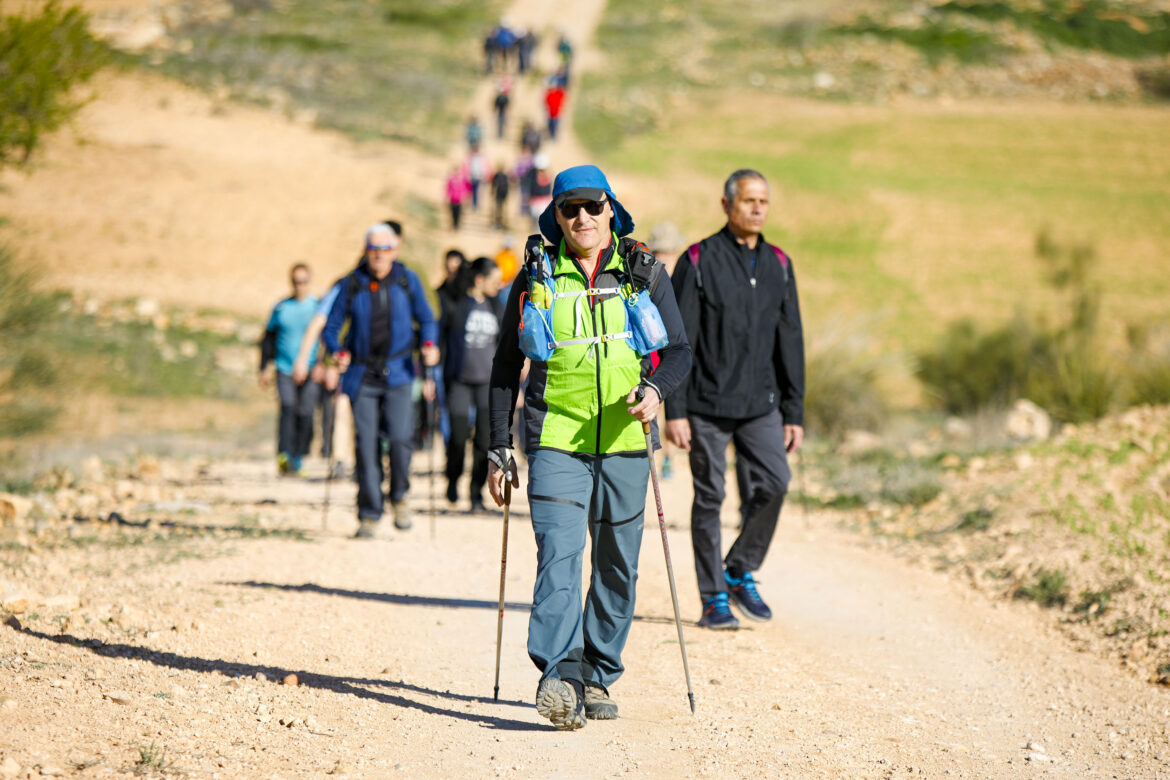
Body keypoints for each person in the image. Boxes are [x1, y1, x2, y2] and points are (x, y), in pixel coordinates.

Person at [487, 164, 691, 730]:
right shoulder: (535, 276)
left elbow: (679, 352)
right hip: (555, 438)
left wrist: (654, 391)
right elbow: (506, 365)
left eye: (591, 206)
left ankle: (600, 671)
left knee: (617, 565)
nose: (581, 217)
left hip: (627, 440)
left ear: (611, 209)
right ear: (555, 216)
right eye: (568, 208)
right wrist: (497, 445)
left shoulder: (643, 272)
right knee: (558, 556)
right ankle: (560, 676)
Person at [665, 169, 805, 630]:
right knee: (711, 497)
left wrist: (793, 409)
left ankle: (739, 567)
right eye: (748, 201)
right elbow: (679, 340)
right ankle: (713, 599)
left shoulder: (779, 264)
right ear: (727, 205)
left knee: (776, 482)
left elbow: (790, 339)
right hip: (705, 406)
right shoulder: (699, 259)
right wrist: (676, 409)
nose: (758, 208)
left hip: (761, 406)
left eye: (763, 201)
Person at [322, 223, 440, 539]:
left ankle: (399, 495)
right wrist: (336, 351)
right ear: (365, 251)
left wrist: (430, 345)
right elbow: (331, 328)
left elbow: (427, 319)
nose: (379, 255)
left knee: (401, 439)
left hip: (400, 371)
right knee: (366, 445)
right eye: (374, 249)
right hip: (362, 376)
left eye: (385, 248)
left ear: (395, 250)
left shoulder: (406, 279)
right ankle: (369, 514)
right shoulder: (353, 283)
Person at [441, 257, 503, 513]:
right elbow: (443, 339)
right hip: (459, 381)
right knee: (456, 436)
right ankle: (453, 478)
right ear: (480, 279)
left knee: (484, 440)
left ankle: (476, 492)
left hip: (487, 383)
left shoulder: (497, 306)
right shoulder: (457, 305)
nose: (499, 286)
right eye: (495, 281)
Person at [259, 263, 321, 476]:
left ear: (309, 282)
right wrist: (263, 368)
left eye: (303, 281)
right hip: (284, 367)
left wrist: (325, 365)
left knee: (305, 412)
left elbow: (326, 338)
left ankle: (299, 456)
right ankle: (284, 454)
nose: (299, 286)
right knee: (287, 407)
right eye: (296, 282)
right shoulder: (281, 308)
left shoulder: (317, 306)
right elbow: (268, 339)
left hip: (312, 369)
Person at [647, 222, 688, 480]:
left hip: (666, 349)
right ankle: (662, 456)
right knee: (659, 403)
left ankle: (665, 456)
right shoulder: (654, 277)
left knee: (665, 403)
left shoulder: (654, 274)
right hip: (660, 350)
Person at [490, 162, 510, 229]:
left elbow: (507, 186)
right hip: (498, 195)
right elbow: (493, 185)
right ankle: (496, 223)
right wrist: (492, 192)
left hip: (503, 195)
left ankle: (502, 223)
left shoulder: (505, 176)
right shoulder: (496, 175)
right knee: (497, 210)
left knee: (503, 211)